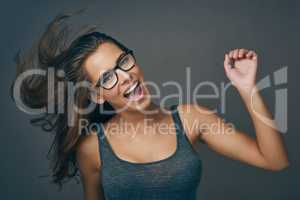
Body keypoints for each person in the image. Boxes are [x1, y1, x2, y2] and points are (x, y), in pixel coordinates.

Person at [11, 13, 289, 200]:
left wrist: (247, 86)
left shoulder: (191, 119)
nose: (126, 76)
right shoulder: (92, 149)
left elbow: (275, 161)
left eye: (123, 62)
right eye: (108, 77)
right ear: (96, 95)